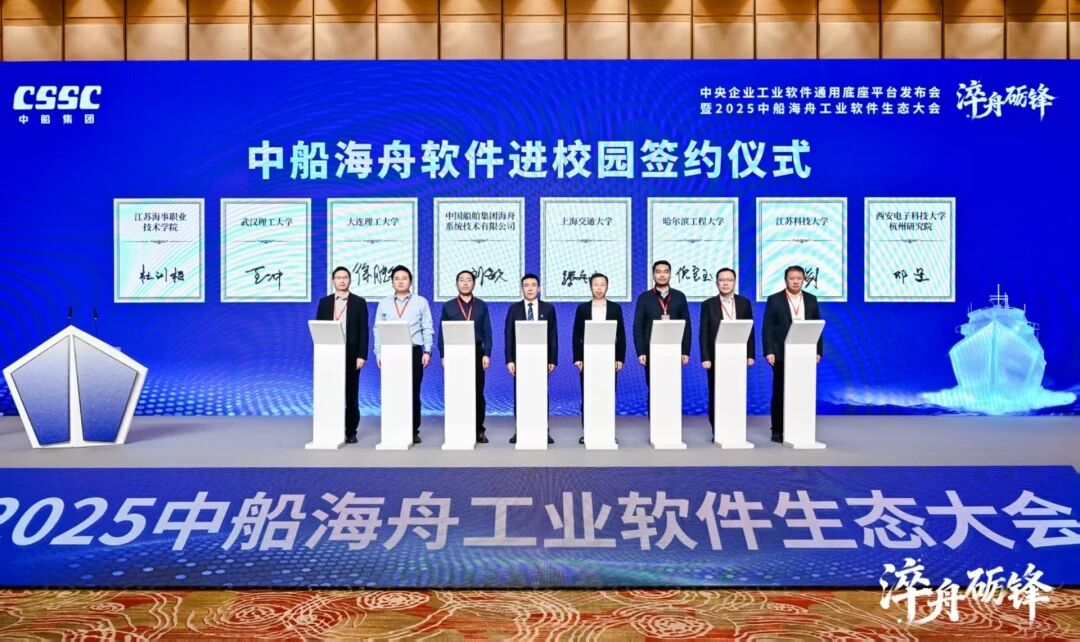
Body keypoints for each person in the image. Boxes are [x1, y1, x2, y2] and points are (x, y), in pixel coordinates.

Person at [762, 265, 823, 444]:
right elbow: (767, 328)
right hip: (781, 353)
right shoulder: (775, 299)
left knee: (802, 392)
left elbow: (817, 326)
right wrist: (769, 351)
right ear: (785, 280)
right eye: (792, 278)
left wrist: (818, 350)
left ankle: (799, 427)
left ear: (804, 280)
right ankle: (777, 430)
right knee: (780, 392)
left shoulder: (811, 299)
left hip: (805, 353)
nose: (795, 281)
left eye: (799, 278)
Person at [373, 265, 433, 444]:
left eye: (404, 278)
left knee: (413, 392)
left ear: (411, 282)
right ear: (392, 282)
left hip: (413, 351)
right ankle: (393, 427)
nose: (400, 281)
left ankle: (413, 430)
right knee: (392, 391)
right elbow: (377, 329)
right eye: (396, 278)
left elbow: (427, 327)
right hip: (390, 351)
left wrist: (427, 351)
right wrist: (378, 353)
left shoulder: (421, 302)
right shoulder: (384, 303)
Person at [437, 270, 493, 444]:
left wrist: (487, 353)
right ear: (457, 284)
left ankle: (478, 430)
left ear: (474, 284)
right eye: (461, 280)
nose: (465, 283)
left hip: (476, 351)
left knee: (477, 392)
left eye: (469, 280)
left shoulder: (481, 305)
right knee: (456, 390)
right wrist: (443, 354)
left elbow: (487, 332)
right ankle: (458, 427)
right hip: (455, 352)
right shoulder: (448, 306)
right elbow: (442, 332)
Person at [315, 266, 368, 444]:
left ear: (350, 280)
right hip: (329, 354)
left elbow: (364, 331)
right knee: (329, 392)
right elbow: (319, 328)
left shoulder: (359, 302)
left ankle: (351, 431)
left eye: (345, 277)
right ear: (333, 281)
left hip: (351, 355)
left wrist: (362, 355)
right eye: (338, 277)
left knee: (351, 395)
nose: (342, 280)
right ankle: (330, 428)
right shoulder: (324, 302)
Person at [699, 268, 754, 436]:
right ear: (717, 283)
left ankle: (735, 428)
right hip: (716, 356)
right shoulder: (708, 304)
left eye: (729, 280)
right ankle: (718, 429)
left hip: (738, 355)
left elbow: (750, 330)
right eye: (722, 280)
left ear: (735, 283)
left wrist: (750, 354)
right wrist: (705, 357)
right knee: (717, 392)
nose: (725, 283)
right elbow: (704, 332)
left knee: (736, 391)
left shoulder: (744, 303)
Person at [572, 273, 626, 445]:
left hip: (609, 359)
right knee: (588, 395)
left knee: (607, 395)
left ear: (607, 287)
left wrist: (620, 358)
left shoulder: (615, 308)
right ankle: (587, 432)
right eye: (596, 284)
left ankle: (608, 432)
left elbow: (621, 335)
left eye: (602, 284)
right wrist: (578, 358)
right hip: (588, 359)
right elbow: (576, 335)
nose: (599, 288)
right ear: (590, 287)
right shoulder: (582, 308)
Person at [504, 273, 557, 444]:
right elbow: (508, 335)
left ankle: (543, 431)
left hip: (541, 360)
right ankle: (520, 430)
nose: (530, 288)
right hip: (520, 360)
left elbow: (553, 335)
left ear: (539, 288)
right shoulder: (514, 309)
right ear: (522, 289)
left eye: (533, 285)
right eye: (526, 285)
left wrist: (552, 359)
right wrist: (510, 360)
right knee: (521, 395)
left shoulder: (548, 308)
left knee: (541, 395)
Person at [632, 260, 691, 388]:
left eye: (665, 272)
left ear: (670, 274)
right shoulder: (644, 297)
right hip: (651, 349)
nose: (662, 275)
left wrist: (685, 351)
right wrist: (641, 352)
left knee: (672, 386)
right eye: (658, 272)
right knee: (653, 386)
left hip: (674, 349)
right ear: (653, 274)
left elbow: (687, 326)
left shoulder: (680, 296)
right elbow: (638, 326)